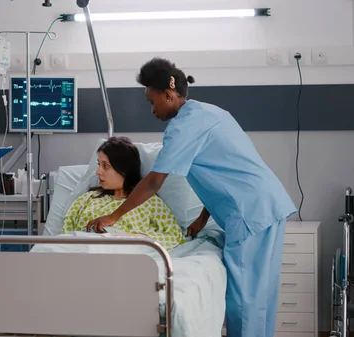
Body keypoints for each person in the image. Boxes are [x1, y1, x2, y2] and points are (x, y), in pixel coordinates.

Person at [86, 58, 297, 337]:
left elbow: (153, 182)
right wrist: (201, 218)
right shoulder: (211, 113)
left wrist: (113, 215)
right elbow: (222, 172)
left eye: (152, 101)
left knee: (245, 300)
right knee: (262, 296)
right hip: (267, 204)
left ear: (169, 95)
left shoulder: (182, 128)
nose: (152, 110)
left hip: (248, 214)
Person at [62, 136, 185, 251]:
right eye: (99, 165)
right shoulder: (87, 199)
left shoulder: (149, 201)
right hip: (82, 251)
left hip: (123, 254)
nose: (98, 171)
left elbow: (174, 235)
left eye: (106, 166)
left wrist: (134, 238)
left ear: (124, 169)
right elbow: (64, 237)